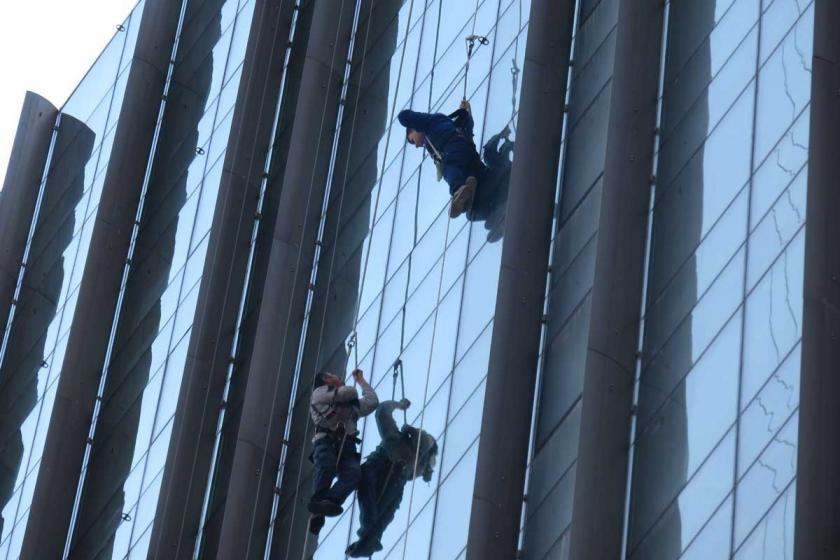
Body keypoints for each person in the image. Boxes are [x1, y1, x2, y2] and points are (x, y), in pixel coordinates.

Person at [345, 399, 438, 558]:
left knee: (370, 502)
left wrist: (399, 405)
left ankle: (368, 537)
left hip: (378, 471)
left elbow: (382, 411)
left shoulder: (395, 438)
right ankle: (370, 538)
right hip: (395, 482)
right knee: (383, 513)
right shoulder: (419, 464)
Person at [308, 368, 379, 517]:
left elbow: (372, 402)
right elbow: (348, 393)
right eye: (333, 374)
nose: (337, 375)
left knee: (353, 474)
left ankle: (331, 500)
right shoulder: (320, 392)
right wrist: (353, 388)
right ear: (326, 379)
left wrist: (361, 381)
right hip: (326, 440)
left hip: (346, 444)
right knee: (327, 465)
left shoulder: (350, 405)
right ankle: (318, 502)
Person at [399, 101, 486, 219]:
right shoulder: (446, 124)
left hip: (454, 149)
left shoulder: (428, 123)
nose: (416, 146)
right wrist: (468, 114)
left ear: (414, 129)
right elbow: (467, 129)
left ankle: (458, 190)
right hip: (469, 155)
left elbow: (404, 117)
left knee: (447, 166)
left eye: (412, 140)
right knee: (473, 208)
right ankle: (495, 212)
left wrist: (406, 118)